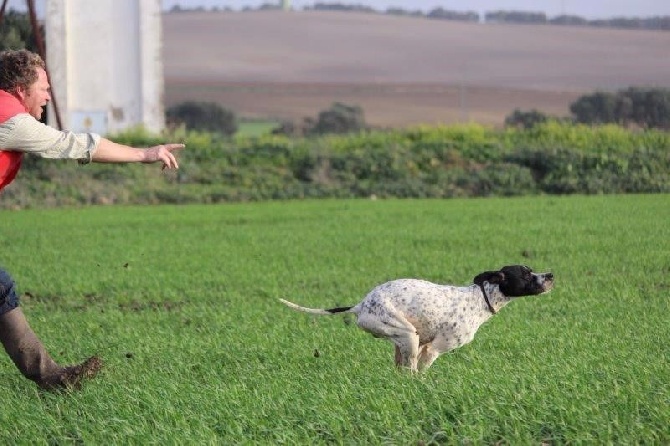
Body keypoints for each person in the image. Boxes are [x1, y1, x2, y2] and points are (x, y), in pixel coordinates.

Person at [0, 49, 185, 390]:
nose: (48, 95)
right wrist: (144, 153)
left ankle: (52, 378)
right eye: (44, 86)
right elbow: (72, 145)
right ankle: (53, 379)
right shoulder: (10, 119)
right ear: (22, 88)